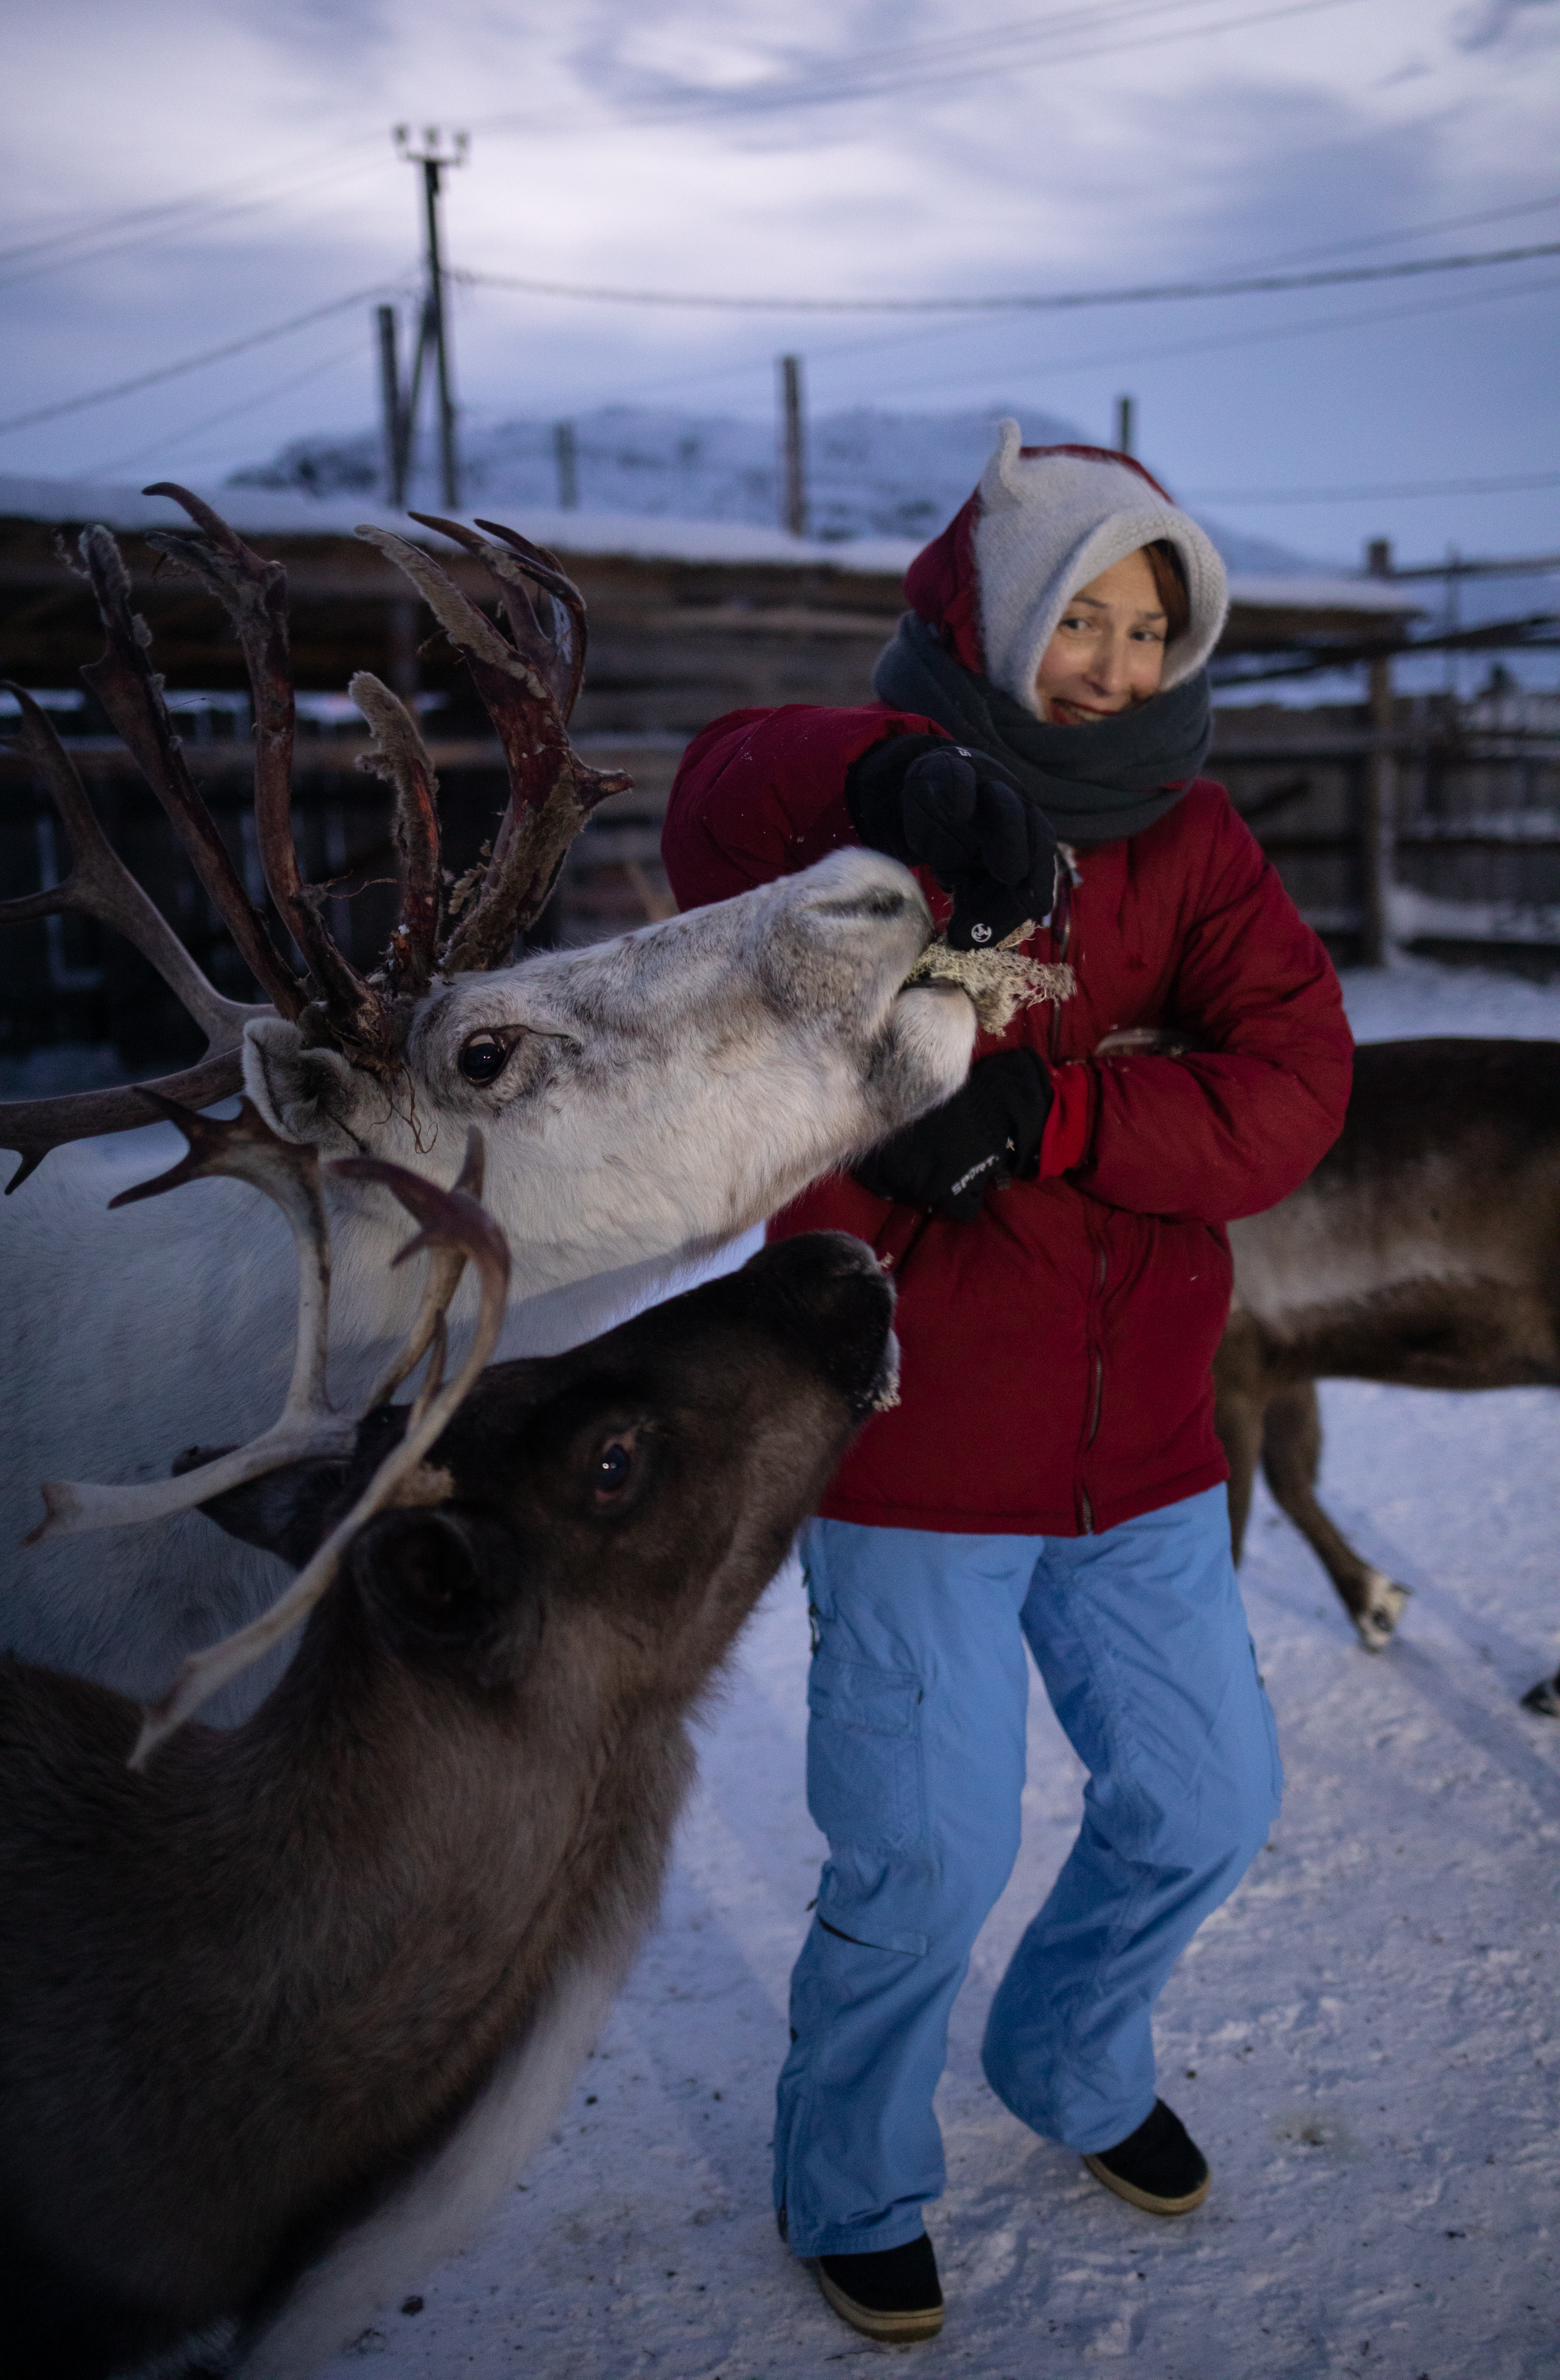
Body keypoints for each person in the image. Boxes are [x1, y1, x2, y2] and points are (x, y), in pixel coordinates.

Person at [660, 426, 1353, 2346]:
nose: (1117, 667)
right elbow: (713, 807)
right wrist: (889, 779)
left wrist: (1057, 1113)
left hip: (1144, 1459)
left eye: (1150, 631)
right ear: (996, 608)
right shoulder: (860, 812)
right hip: (911, 1446)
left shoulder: (1192, 841)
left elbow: (1296, 1088)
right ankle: (853, 2176)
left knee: (1208, 1803)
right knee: (928, 1854)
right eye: (1082, 620)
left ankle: (1069, 2055)